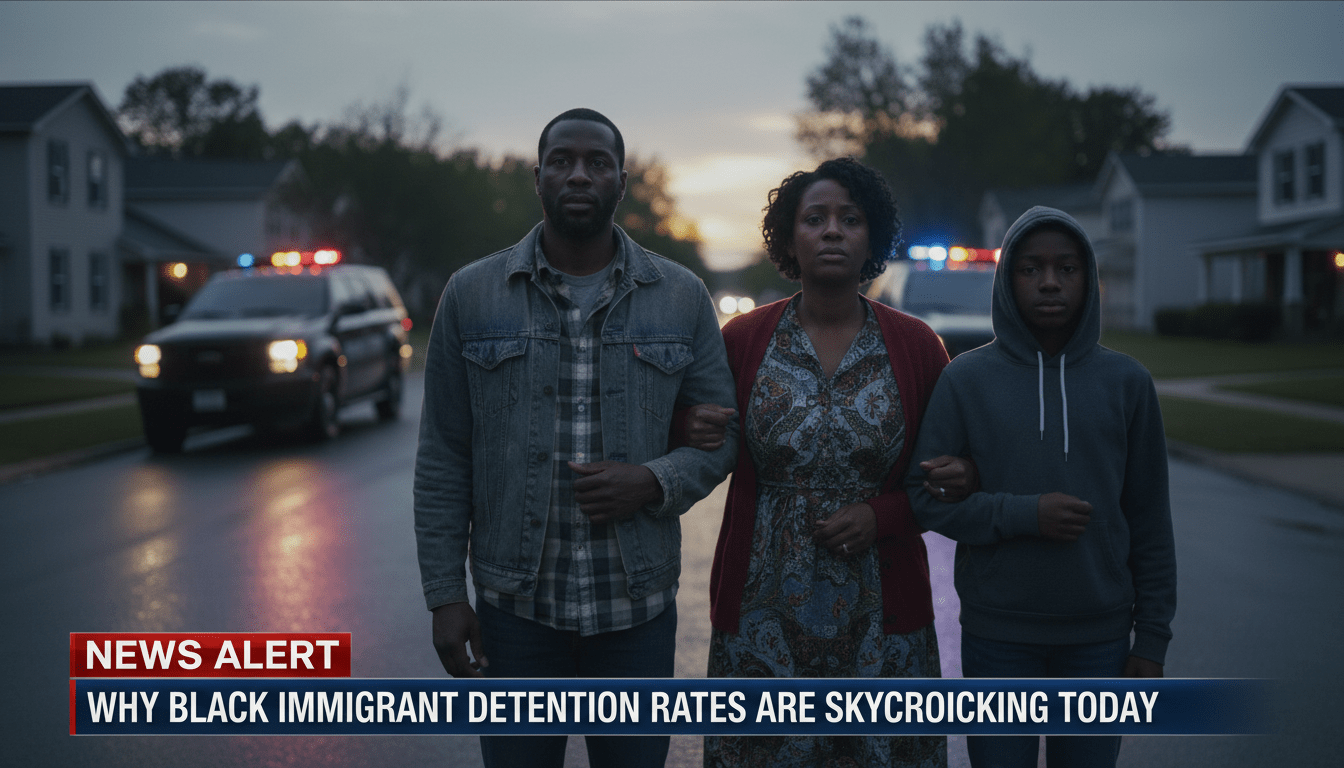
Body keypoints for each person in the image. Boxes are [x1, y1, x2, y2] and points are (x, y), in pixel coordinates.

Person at [413, 108, 738, 768]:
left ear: (623, 181)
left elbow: (720, 438)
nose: (579, 174)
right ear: (538, 178)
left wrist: (651, 480)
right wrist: (447, 597)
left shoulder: (681, 296)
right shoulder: (472, 295)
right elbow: (444, 456)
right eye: (562, 161)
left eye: (597, 162)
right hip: (514, 615)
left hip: (636, 615)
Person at [685, 157, 975, 768]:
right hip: (764, 603)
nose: (833, 231)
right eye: (815, 219)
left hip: (881, 604)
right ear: (790, 239)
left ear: (872, 237)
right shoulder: (742, 340)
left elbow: (948, 474)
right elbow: (701, 439)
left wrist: (885, 515)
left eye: (851, 218)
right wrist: (689, 424)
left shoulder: (917, 346)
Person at [906, 206, 1177, 768]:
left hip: (1100, 641)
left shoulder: (1126, 383)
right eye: (1031, 269)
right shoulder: (967, 379)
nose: (1049, 282)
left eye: (1066, 268)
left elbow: (1150, 518)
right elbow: (924, 497)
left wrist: (1150, 640)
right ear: (1008, 280)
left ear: (1088, 278)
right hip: (998, 636)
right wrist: (1024, 515)